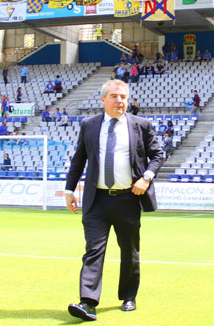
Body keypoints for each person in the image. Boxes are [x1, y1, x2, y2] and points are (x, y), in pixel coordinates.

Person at [65, 79, 163, 322]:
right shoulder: (89, 125)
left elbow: (157, 155)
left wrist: (146, 178)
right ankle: (87, 303)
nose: (120, 101)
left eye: (123, 97)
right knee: (93, 251)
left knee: (129, 251)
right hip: (96, 200)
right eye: (115, 96)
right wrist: (69, 191)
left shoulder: (141, 125)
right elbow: (79, 160)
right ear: (103, 100)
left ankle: (129, 296)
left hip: (128, 199)